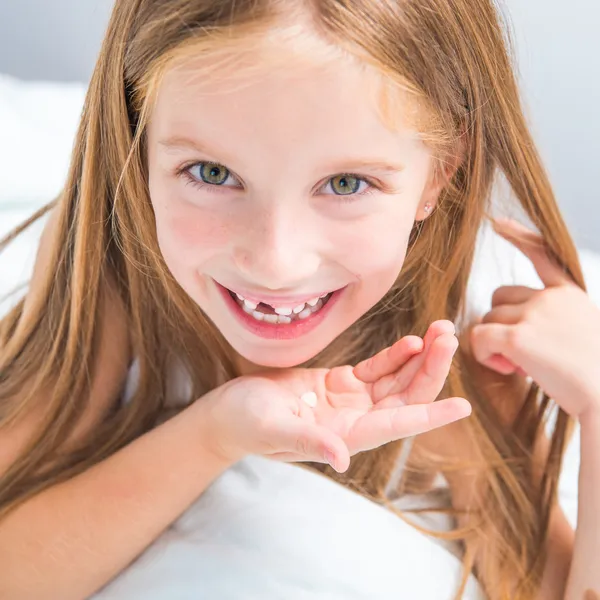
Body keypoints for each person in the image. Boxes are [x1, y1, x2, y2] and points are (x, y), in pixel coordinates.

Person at [0, 0, 598, 598]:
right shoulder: (115, 272)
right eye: (211, 173)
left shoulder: (449, 364)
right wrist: (214, 433)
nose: (275, 264)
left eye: (346, 184)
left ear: (441, 171)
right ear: (135, 137)